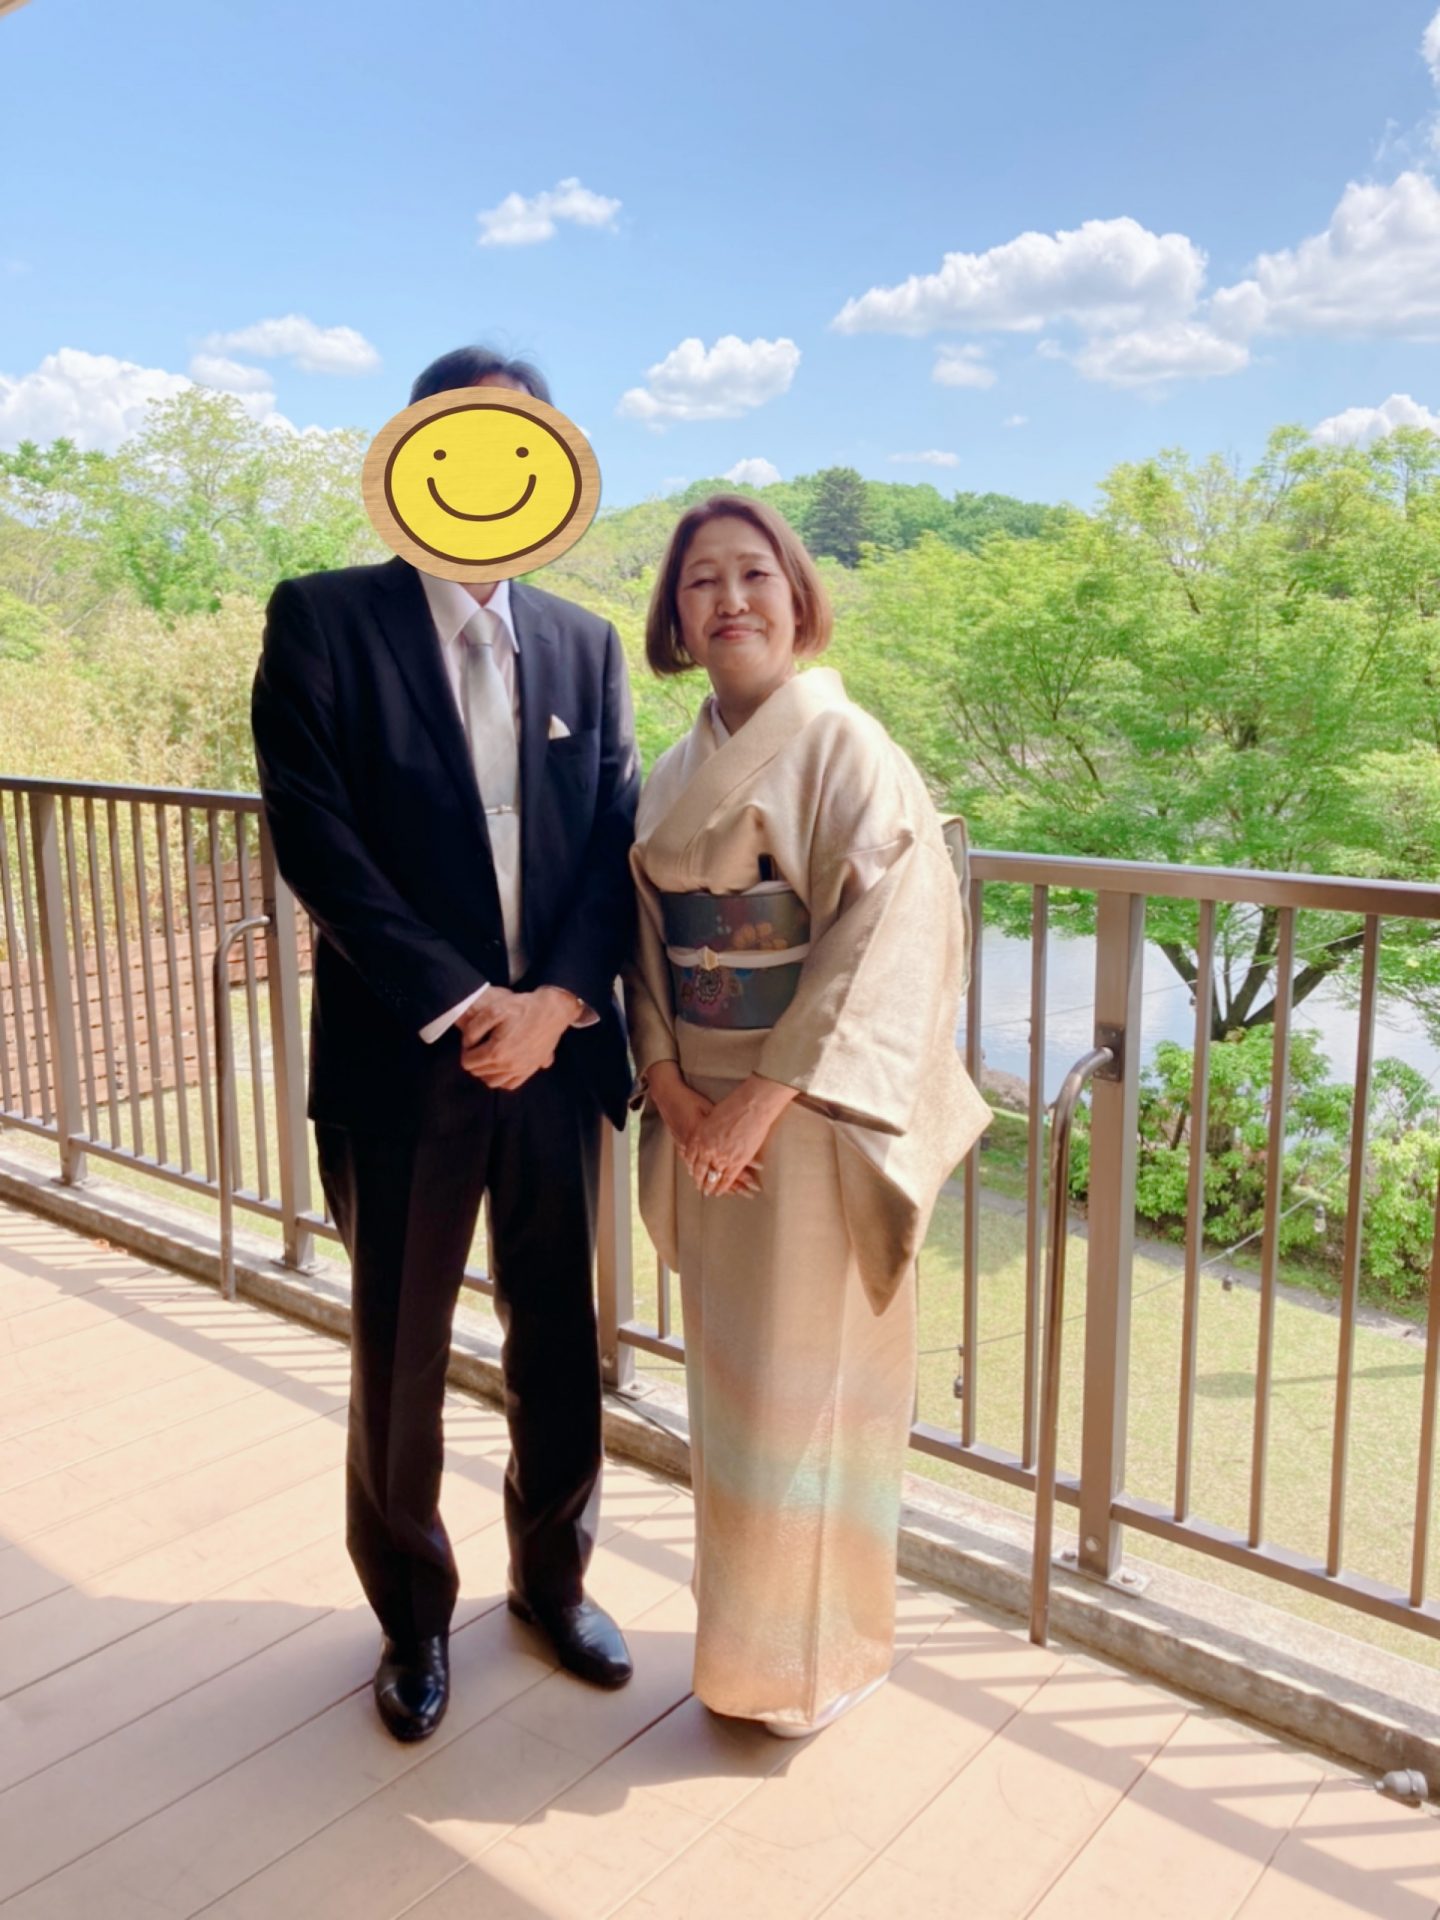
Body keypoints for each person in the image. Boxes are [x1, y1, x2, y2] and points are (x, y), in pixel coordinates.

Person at [252, 345, 640, 1743]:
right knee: (399, 1353)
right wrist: (470, 1002)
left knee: (560, 1341)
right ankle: (412, 1620)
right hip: (402, 1057)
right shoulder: (322, 618)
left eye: (516, 444)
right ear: (412, 454)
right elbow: (316, 839)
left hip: (556, 1060)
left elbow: (615, 841)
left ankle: (553, 1582)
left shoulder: (588, 645)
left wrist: (555, 1005)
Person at [626, 495, 989, 1737]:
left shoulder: (846, 746)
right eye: (700, 582)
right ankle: (745, 1649)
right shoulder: (672, 768)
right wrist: (672, 1088)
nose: (729, 600)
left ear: (796, 598)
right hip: (704, 1109)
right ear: (676, 618)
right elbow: (643, 945)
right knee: (733, 1396)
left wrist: (762, 1102)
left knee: (813, 1392)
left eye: (754, 575)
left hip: (811, 1114)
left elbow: (888, 940)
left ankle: (809, 1664)